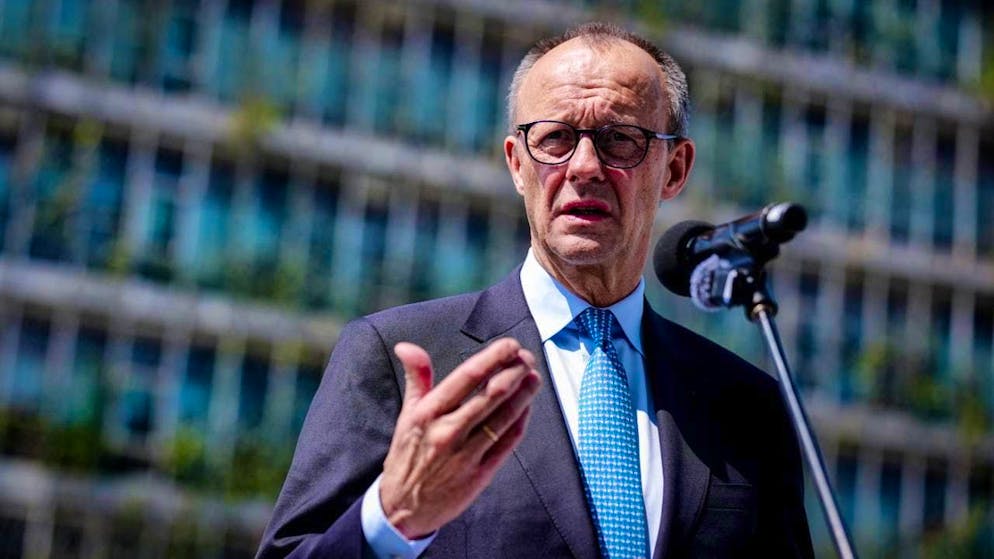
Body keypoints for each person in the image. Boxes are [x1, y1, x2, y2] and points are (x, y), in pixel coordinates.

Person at [256, 22, 814, 559]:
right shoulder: (399, 357)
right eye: (556, 139)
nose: (585, 167)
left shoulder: (748, 406)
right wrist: (391, 519)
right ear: (517, 164)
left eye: (620, 140)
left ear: (675, 168)